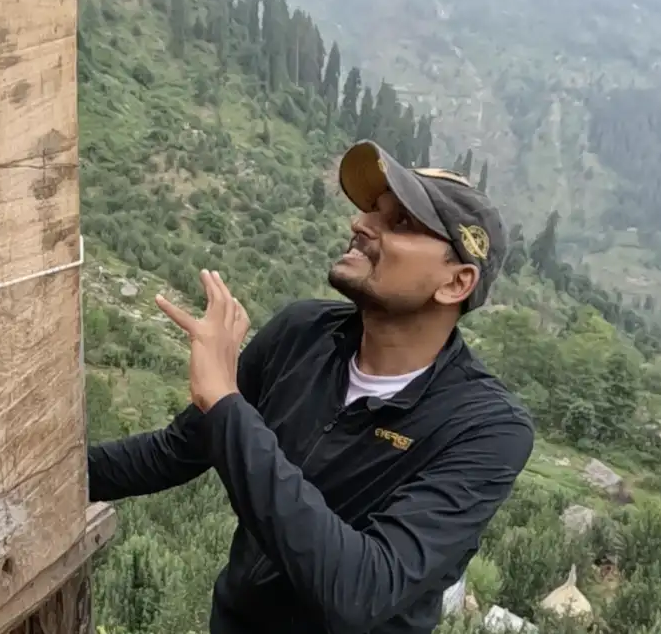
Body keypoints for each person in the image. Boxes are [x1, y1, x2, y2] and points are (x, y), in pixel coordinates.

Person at [88, 140, 535, 634]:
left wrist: (225, 402)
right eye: (370, 210)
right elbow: (173, 453)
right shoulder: (301, 334)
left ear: (456, 283)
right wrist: (32, 484)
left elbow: (359, 589)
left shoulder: (485, 428)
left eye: (400, 222)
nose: (361, 224)